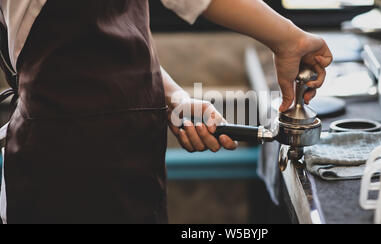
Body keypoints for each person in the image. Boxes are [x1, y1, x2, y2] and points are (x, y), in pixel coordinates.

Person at [0, 0, 332, 224]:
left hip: (129, 156)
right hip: (67, 167)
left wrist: (173, 96)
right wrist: (289, 38)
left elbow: (101, 45)